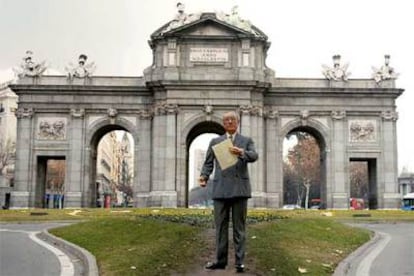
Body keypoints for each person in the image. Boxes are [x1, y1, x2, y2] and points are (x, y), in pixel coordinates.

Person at [198, 111, 258, 273]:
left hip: (240, 189)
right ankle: (220, 260)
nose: (229, 122)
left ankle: (240, 262)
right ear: (223, 123)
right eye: (226, 120)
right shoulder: (215, 141)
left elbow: (254, 156)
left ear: (237, 122)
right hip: (220, 189)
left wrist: (242, 153)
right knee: (220, 228)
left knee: (239, 228)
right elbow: (208, 163)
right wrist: (204, 176)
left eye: (232, 120)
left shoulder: (246, 140)